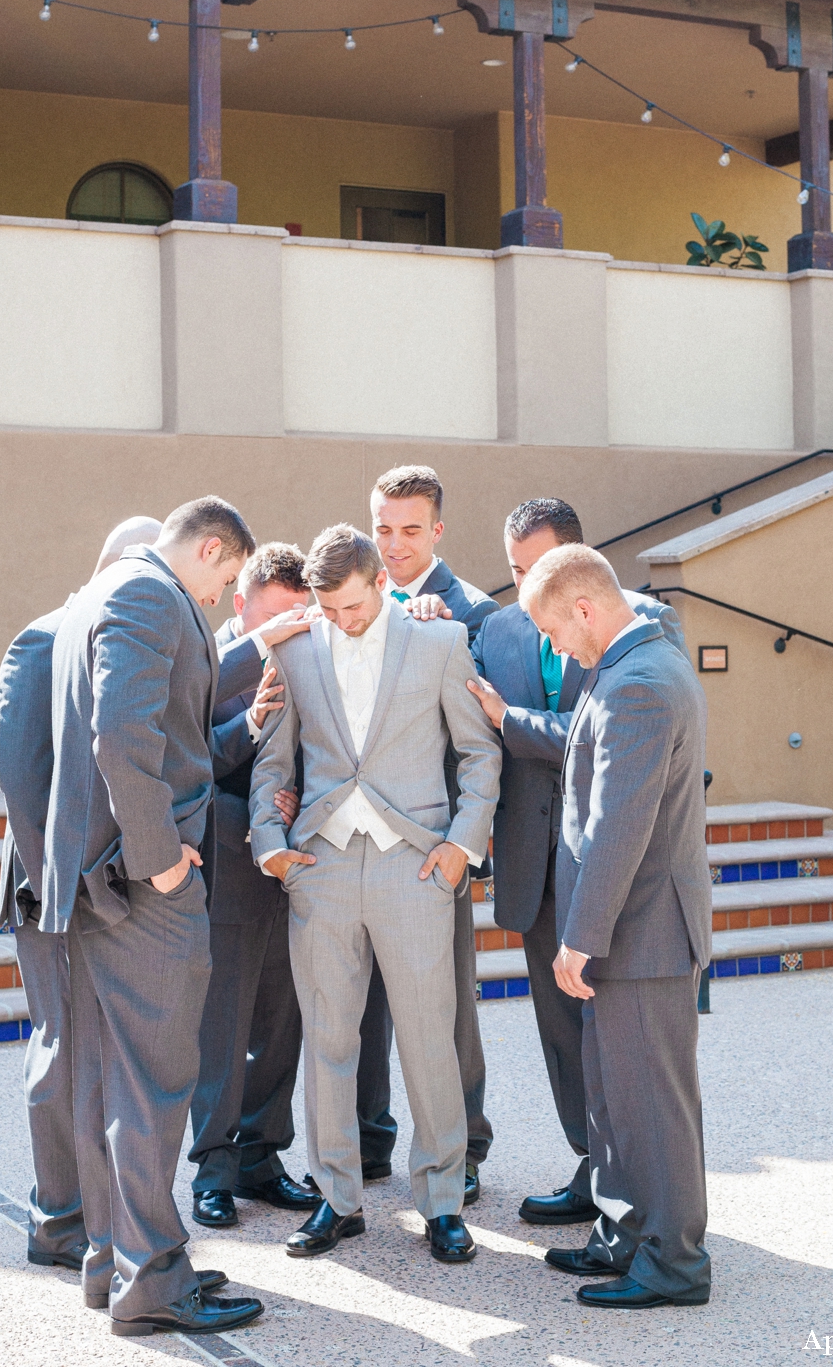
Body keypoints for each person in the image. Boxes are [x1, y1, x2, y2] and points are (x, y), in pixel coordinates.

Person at [44, 497, 267, 1337]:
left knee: (115, 1083)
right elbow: (121, 737)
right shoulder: (146, 595)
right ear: (211, 548)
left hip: (100, 885)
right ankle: (153, 1287)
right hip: (142, 889)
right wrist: (162, 859)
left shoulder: (96, 597)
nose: (218, 596)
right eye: (227, 577)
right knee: (154, 1086)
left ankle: (120, 1260)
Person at [248, 525, 501, 1264]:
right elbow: (273, 760)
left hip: (415, 869)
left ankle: (443, 1202)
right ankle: (336, 1199)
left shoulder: (440, 642)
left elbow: (478, 754)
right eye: (329, 609)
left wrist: (461, 847)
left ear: (381, 585)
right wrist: (272, 848)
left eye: (354, 607)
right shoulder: (294, 650)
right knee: (328, 1039)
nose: (342, 620)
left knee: (429, 1039)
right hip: (320, 870)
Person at [486, 544, 712, 1309]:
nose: (554, 647)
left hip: (641, 934)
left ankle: (672, 1264)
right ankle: (622, 1234)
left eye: (553, 631)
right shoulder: (630, 664)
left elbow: (617, 824)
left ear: (584, 608)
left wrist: (579, 936)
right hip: (632, 930)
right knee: (614, 1099)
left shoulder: (640, 682)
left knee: (652, 1105)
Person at [0, 517, 160, 1278]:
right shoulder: (44, 636)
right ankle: (65, 1220)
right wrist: (61, 889)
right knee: (65, 1055)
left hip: (82, 888)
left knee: (77, 1055)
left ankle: (79, 1219)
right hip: (54, 893)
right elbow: (24, 778)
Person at [356, 465, 499, 1205]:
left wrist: (462, 845)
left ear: (437, 529)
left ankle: (463, 1146)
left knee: (444, 1007)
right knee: (360, 1006)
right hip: (351, 848)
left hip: (432, 848)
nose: (393, 544)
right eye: (382, 527)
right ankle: (368, 1140)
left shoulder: (471, 613)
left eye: (410, 529)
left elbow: (478, 745)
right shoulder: (354, 599)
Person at [189, 543, 318, 1228]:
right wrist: (251, 725)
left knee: (279, 1021)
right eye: (275, 621)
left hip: (294, 867)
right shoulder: (205, 659)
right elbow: (187, 761)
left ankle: (262, 1158)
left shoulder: (313, 649)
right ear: (241, 606)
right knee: (222, 1026)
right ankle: (211, 1167)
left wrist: (299, 793)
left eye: (299, 618)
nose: (289, 633)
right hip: (225, 866)